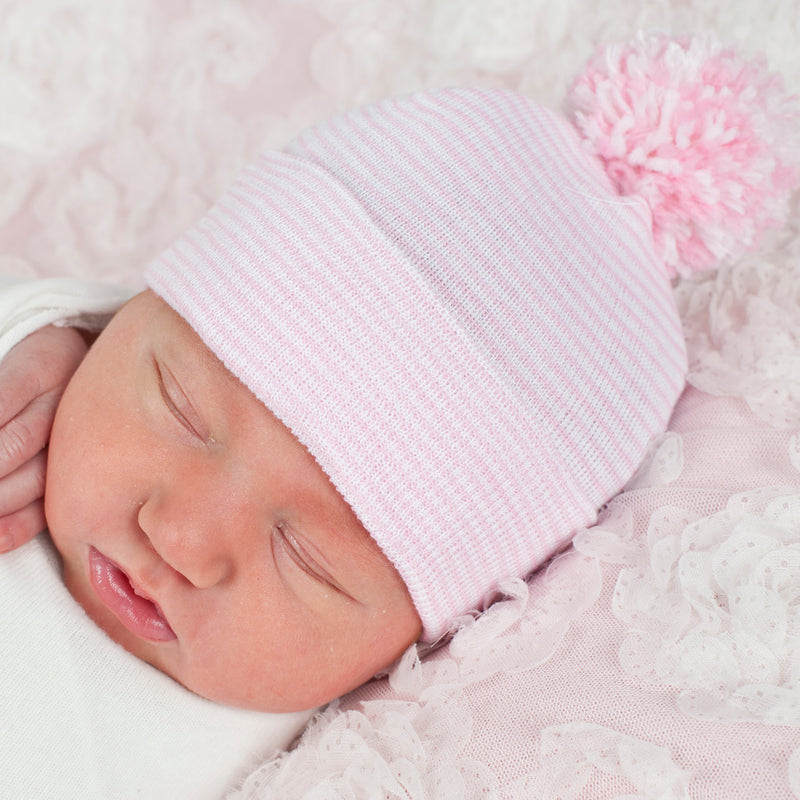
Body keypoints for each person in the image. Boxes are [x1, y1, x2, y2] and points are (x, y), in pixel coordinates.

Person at [0, 32, 795, 793]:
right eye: (176, 405)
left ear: (414, 645)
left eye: (304, 557)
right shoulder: (39, 403)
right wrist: (50, 328)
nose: (180, 538)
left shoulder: (305, 751)